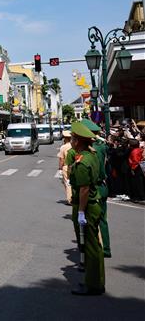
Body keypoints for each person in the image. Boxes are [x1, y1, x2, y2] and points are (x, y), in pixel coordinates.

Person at [67, 121, 104, 296]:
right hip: (93, 204)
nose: (71, 141)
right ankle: (95, 281)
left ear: (78, 141)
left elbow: (83, 189)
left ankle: (93, 285)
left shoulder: (82, 161)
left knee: (90, 247)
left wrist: (81, 211)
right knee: (93, 246)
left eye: (73, 138)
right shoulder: (91, 154)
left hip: (87, 206)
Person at [81, 119, 111, 258]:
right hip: (103, 186)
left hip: (94, 188)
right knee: (103, 220)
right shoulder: (102, 146)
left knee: (91, 222)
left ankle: (96, 250)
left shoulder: (89, 150)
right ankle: (106, 248)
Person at [58, 130, 73, 205]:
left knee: (68, 184)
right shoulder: (74, 145)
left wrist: (60, 169)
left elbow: (61, 159)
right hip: (74, 166)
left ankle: (70, 199)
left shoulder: (63, 147)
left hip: (66, 167)